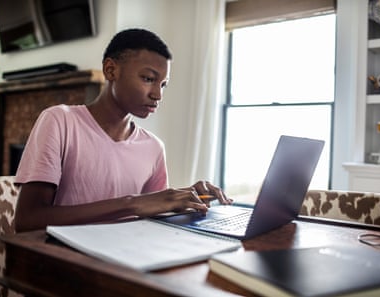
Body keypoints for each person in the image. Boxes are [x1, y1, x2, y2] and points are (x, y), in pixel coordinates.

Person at [14, 28, 232, 232]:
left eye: (163, 84)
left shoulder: (153, 147)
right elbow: (27, 220)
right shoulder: (60, 121)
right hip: (63, 260)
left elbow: (151, 215)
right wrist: (131, 203)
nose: (158, 94)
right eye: (148, 79)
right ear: (111, 70)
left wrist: (187, 198)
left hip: (126, 258)